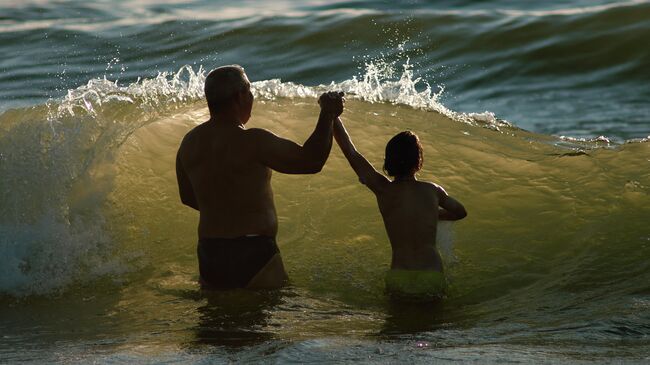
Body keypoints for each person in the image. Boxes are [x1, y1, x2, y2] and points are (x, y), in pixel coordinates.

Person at [175, 65, 344, 289]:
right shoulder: (252, 140)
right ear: (239, 96)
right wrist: (328, 113)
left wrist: (225, 209)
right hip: (254, 251)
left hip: (209, 253)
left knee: (217, 322)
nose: (252, 97)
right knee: (266, 320)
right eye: (250, 91)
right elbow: (311, 161)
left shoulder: (189, 144)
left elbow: (187, 197)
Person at [333, 117, 467, 298]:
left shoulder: (383, 189)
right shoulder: (432, 190)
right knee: (432, 324)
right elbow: (460, 212)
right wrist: (433, 215)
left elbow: (351, 152)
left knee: (397, 325)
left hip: (398, 274)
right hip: (431, 274)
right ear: (419, 161)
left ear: (388, 161)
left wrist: (332, 116)